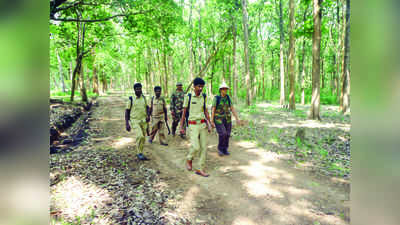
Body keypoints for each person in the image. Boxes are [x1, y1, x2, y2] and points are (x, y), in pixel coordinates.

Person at [180, 77, 212, 177]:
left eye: (202, 87)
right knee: (196, 146)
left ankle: (199, 168)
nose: (200, 88)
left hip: (202, 124)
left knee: (203, 148)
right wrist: (181, 127)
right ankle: (189, 159)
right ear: (194, 87)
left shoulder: (204, 96)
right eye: (199, 86)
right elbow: (184, 112)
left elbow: (205, 110)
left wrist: (209, 123)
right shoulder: (188, 97)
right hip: (193, 125)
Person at [211, 81, 241, 156]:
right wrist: (211, 121)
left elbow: (232, 108)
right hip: (218, 119)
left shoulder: (228, 98)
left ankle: (225, 149)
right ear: (220, 90)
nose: (225, 90)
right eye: (224, 89)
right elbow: (213, 109)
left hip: (227, 119)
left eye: (226, 89)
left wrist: (237, 118)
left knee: (227, 134)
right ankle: (220, 149)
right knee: (223, 133)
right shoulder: (216, 98)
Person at [125, 83, 151, 161]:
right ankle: (139, 153)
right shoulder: (131, 99)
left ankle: (141, 152)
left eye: (140, 89)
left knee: (143, 137)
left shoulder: (144, 98)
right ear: (134, 90)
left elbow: (147, 107)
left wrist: (148, 116)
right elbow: (127, 111)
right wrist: (127, 123)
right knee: (140, 136)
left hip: (143, 121)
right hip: (134, 121)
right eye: (137, 89)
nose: (139, 90)